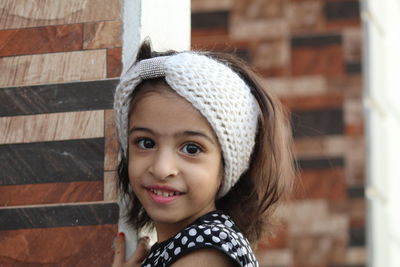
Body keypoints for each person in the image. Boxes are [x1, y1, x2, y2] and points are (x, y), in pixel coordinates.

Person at [111, 40, 295, 267]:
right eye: (146, 143)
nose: (161, 168)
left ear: (226, 165)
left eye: (191, 148)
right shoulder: (187, 246)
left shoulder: (207, 253)